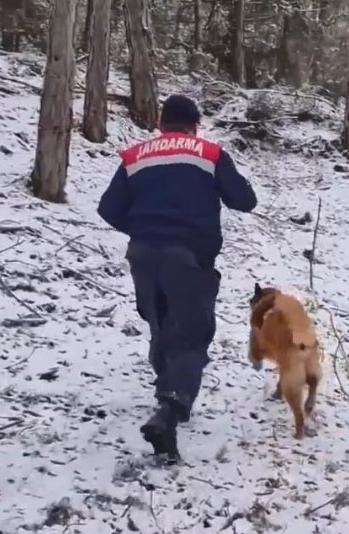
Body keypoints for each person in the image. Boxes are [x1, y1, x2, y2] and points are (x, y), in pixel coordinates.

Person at [98, 94, 258, 459]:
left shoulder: (134, 157)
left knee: (160, 322)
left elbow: (108, 209)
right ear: (194, 125)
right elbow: (244, 201)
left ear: (160, 122)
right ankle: (170, 406)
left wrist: (140, 229)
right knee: (191, 334)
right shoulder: (210, 154)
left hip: (142, 254)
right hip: (188, 257)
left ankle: (165, 391)